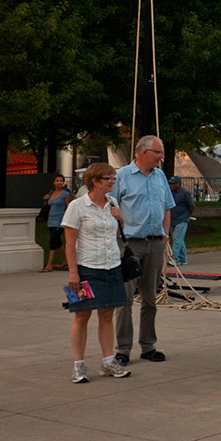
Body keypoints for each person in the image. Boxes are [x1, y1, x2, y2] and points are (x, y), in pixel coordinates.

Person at [61, 162, 132, 383]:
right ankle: (78, 365)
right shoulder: (77, 206)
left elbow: (118, 235)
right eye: (109, 178)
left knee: (108, 314)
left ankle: (108, 361)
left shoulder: (112, 202)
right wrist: (73, 273)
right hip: (86, 268)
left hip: (112, 266)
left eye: (114, 177)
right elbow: (70, 243)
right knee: (82, 315)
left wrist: (120, 219)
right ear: (95, 181)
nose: (113, 182)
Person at [111, 135, 174, 366]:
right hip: (130, 244)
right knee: (125, 299)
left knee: (150, 298)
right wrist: (119, 236)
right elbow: (111, 207)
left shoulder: (160, 177)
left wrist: (165, 235)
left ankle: (148, 346)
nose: (162, 157)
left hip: (155, 243)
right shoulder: (121, 177)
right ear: (143, 153)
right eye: (158, 152)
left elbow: (168, 207)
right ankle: (123, 350)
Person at [41, 173, 75, 272]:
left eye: (61, 181)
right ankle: (67, 261)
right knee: (57, 242)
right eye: (57, 181)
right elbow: (49, 203)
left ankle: (49, 264)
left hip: (60, 220)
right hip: (51, 219)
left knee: (53, 241)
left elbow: (68, 207)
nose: (59, 182)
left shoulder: (65, 194)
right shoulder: (51, 193)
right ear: (53, 182)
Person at [167, 176, 195, 266]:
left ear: (178, 184)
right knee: (179, 239)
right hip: (172, 219)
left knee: (177, 238)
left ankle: (175, 258)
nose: (170, 185)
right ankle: (183, 258)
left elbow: (191, 205)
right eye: (170, 183)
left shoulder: (185, 193)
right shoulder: (169, 193)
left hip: (182, 219)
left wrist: (188, 215)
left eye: (173, 183)